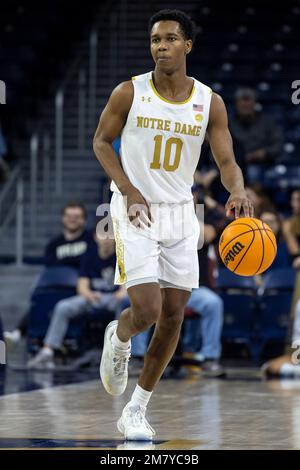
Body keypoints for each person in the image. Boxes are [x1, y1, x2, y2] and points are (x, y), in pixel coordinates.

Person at [93, 9, 253, 441]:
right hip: (134, 207)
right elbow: (101, 142)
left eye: (168, 39)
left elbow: (226, 160)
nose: (160, 47)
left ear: (187, 46)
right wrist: (126, 189)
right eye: (154, 40)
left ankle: (136, 410)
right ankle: (120, 335)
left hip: (182, 210)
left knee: (173, 314)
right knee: (145, 310)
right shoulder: (130, 92)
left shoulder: (209, 101)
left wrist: (236, 189)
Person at [27, 236, 126, 369]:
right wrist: (89, 294)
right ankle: (47, 351)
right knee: (63, 306)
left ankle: (116, 354)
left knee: (125, 304)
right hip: (93, 297)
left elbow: (124, 289)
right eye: (103, 235)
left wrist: (119, 295)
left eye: (110, 236)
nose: (106, 239)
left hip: (113, 299)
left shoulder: (121, 255)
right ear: (96, 238)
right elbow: (82, 286)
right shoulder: (89, 255)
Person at [4, 202, 93, 346]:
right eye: (69, 216)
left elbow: (89, 261)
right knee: (38, 296)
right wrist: (72, 262)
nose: (72, 219)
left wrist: (66, 262)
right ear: (63, 219)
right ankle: (18, 333)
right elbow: (50, 265)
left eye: (77, 217)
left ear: (83, 220)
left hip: (82, 284)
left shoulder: (90, 240)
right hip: (56, 284)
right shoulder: (54, 243)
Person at [230, 87, 283, 183]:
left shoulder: (267, 122)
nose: (245, 104)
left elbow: (278, 145)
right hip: (234, 163)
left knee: (253, 172)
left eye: (248, 100)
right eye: (242, 100)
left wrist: (262, 153)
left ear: (255, 103)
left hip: (261, 165)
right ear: (236, 104)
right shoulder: (228, 122)